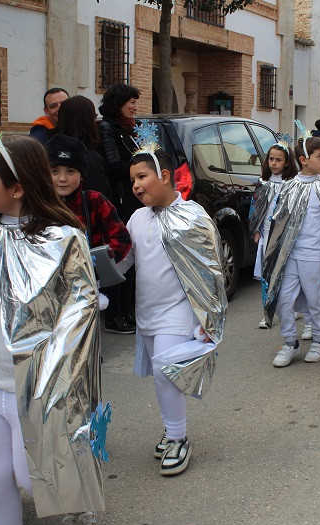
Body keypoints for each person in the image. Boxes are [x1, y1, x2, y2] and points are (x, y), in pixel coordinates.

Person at [0, 133, 105, 525]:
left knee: (34, 478)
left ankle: (80, 506)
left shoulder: (62, 238)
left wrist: (55, 379)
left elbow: (81, 313)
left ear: (18, 187)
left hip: (39, 385)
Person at [118, 129, 228, 476]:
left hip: (180, 313)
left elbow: (211, 271)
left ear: (164, 176)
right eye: (132, 179)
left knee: (168, 371)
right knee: (160, 377)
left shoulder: (192, 216)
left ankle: (179, 438)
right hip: (148, 311)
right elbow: (126, 260)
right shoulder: (137, 218)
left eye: (142, 176)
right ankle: (171, 429)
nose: (136, 185)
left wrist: (207, 320)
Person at [262, 135, 320, 367]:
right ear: (303, 159)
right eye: (319, 156)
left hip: (314, 254)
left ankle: (319, 339)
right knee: (283, 299)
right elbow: (279, 221)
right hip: (290, 255)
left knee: (315, 300)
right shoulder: (290, 186)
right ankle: (290, 341)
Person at [44, 134, 131, 267]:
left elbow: (121, 239)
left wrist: (93, 264)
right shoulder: (39, 204)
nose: (62, 178)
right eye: (55, 171)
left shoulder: (94, 202)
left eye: (70, 171)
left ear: (82, 176)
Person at [98, 83, 142, 333]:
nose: (135, 107)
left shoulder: (131, 129)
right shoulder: (108, 129)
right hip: (121, 202)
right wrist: (140, 164)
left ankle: (128, 310)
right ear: (118, 104)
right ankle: (116, 313)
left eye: (136, 103)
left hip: (134, 201)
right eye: (131, 103)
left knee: (133, 262)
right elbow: (114, 165)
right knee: (121, 259)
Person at [250, 139, 298, 329]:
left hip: (284, 237)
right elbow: (256, 208)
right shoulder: (263, 183)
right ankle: (267, 310)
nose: (274, 163)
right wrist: (256, 230)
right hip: (266, 235)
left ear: (286, 162)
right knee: (266, 274)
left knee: (286, 275)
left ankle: (291, 308)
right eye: (271, 159)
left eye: (278, 160)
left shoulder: (291, 184)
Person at [55, 95, 114, 203]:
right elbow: (102, 201)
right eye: (94, 116)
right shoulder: (89, 158)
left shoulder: (51, 152)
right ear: (87, 121)